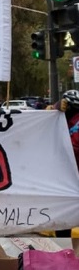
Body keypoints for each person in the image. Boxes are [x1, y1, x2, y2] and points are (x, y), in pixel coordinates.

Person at [55, 89, 79, 254]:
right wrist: (55, 107)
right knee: (64, 218)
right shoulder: (58, 119)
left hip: (70, 178)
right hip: (64, 178)